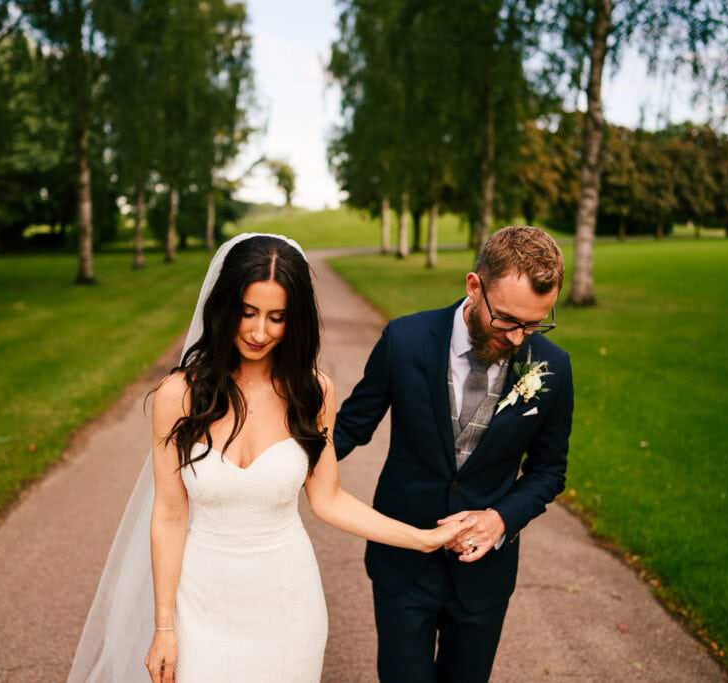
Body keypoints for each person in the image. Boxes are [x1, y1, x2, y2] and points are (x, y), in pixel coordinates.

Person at [67, 233, 468, 683]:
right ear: (224, 308)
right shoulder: (178, 395)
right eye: (248, 313)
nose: (260, 332)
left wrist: (422, 539)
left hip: (287, 602)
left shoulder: (313, 393)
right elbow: (169, 514)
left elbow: (328, 499)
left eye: (277, 318)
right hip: (200, 599)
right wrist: (163, 626)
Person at [334, 225, 574, 682]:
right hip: (403, 563)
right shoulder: (404, 340)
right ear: (473, 286)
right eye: (507, 319)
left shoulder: (554, 368)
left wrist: (500, 519)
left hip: (484, 576)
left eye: (535, 323)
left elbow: (549, 471)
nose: (520, 338)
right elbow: (350, 429)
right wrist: (283, 468)